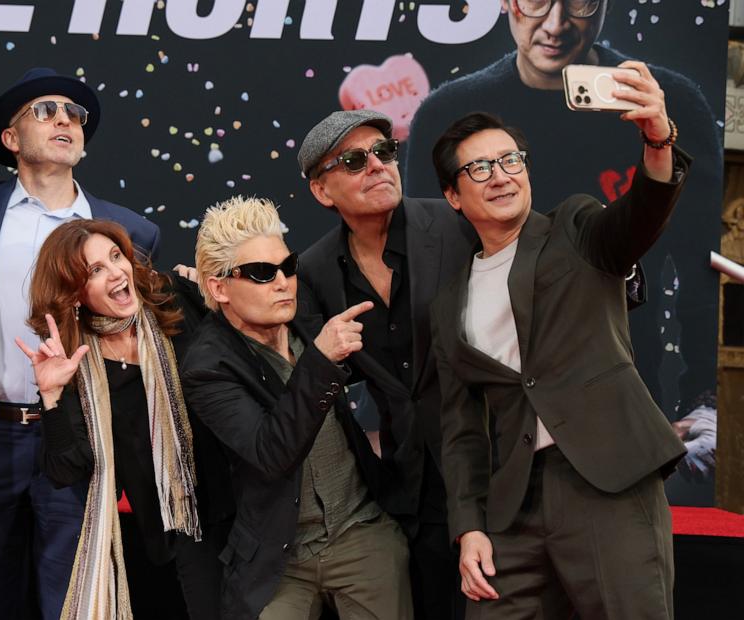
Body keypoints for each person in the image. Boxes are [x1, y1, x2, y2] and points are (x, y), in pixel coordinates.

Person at [429, 62, 688, 617]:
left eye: (509, 161)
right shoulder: (449, 300)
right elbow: (460, 430)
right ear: (452, 195)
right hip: (513, 505)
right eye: (478, 169)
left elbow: (641, 215)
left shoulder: (574, 228)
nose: (500, 176)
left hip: (607, 480)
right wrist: (468, 528)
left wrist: (657, 137)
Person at [404, 0, 722, 416]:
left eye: (579, 4)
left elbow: (702, 263)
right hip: (490, 396)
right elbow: (426, 270)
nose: (555, 25)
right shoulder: (447, 113)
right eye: (536, 2)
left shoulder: (665, 104)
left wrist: (706, 401)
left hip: (620, 393)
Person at [0, 68, 160, 619]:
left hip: (80, 440)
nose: (64, 119)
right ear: (10, 140)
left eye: (74, 114)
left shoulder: (129, 232)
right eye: (45, 110)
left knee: (71, 599)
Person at [182, 196, 413, 620]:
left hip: (359, 527)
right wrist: (321, 362)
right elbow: (272, 453)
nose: (283, 282)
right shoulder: (207, 366)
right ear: (218, 287)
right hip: (277, 555)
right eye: (260, 273)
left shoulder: (307, 309)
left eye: (287, 267)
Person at [297, 109, 477, 619]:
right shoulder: (313, 271)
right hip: (409, 484)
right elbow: (311, 378)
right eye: (354, 160)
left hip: (489, 467)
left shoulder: (454, 223)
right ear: (322, 191)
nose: (376, 166)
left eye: (384, 151)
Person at [14, 219, 231, 619]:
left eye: (116, 257)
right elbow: (66, 470)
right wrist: (51, 397)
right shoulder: (75, 364)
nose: (116, 272)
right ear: (74, 294)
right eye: (95, 270)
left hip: (235, 518)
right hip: (161, 544)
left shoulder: (176, 301)